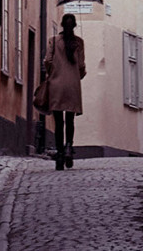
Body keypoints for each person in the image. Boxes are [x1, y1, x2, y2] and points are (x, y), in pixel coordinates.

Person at [43, 13, 85, 170]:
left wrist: (52, 73)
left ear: (61, 24)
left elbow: (47, 61)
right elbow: (81, 66)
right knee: (70, 120)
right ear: (74, 26)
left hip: (56, 85)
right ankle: (69, 147)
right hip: (73, 86)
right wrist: (76, 76)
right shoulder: (79, 42)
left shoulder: (53, 41)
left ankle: (59, 153)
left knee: (59, 122)